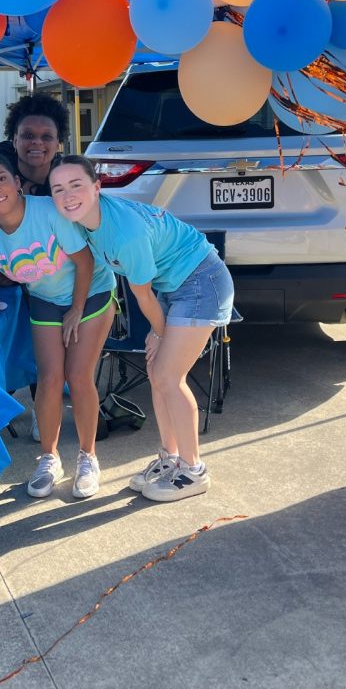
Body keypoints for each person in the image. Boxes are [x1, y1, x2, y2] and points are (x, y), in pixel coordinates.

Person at [47, 156, 234, 502]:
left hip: (200, 282)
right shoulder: (85, 220)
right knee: (155, 370)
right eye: (58, 189)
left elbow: (142, 294)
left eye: (76, 185)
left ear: (97, 187)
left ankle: (193, 471)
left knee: (168, 376)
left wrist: (159, 332)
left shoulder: (124, 235)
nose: (67, 195)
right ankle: (170, 458)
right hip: (172, 285)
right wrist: (158, 330)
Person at [0, 150, 115, 500]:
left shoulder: (46, 210)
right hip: (45, 299)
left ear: (17, 182)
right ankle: (49, 458)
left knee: (77, 376)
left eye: (1, 179)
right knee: (47, 379)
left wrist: (76, 309)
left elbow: (86, 262)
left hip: (90, 291)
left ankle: (88, 458)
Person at [0, 92, 68, 235]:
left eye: (47, 136)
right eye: (28, 135)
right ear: (15, 140)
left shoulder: (65, 178)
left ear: (58, 144)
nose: (38, 142)